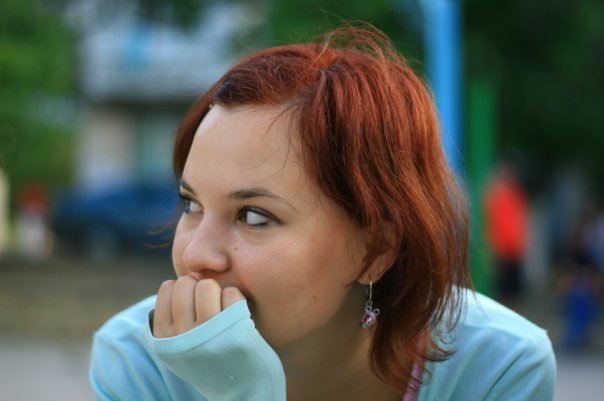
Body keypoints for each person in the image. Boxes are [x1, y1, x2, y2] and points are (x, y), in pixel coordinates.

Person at [90, 26, 556, 401]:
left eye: (253, 216)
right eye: (191, 205)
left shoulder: (495, 368)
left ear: (375, 249)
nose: (195, 255)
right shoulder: (138, 361)